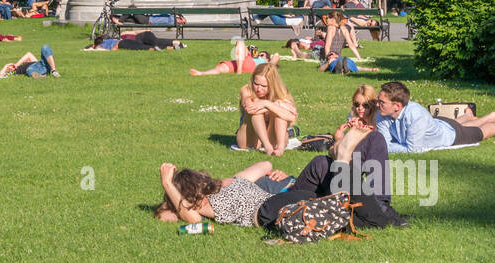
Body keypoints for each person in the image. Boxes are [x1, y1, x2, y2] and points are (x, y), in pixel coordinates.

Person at [254, 84, 408, 229]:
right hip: (336, 184)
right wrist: (341, 139)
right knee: (321, 161)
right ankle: (381, 205)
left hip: (341, 183)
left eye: (366, 105)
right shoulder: (355, 124)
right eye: (357, 105)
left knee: (325, 160)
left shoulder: (376, 124)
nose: (361, 109)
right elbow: (335, 155)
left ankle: (380, 204)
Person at [375, 81, 495, 154]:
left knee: (480, 133)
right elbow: (384, 144)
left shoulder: (415, 116)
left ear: (397, 106)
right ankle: (475, 116)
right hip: (440, 124)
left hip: (450, 135)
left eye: (381, 102)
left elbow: (412, 150)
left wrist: (388, 147)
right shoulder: (383, 114)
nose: (377, 104)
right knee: (457, 123)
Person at [157, 161, 291, 228]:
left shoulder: (209, 202)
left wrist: (167, 184)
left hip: (287, 193)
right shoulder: (230, 182)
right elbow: (266, 164)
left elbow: (191, 218)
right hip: (290, 189)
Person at [234, 61, 298, 156]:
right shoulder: (246, 90)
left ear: (272, 85)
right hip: (249, 140)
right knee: (257, 112)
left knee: (279, 114)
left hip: (273, 137)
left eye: (264, 86)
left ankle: (280, 148)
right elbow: (250, 108)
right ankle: (267, 147)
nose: (259, 89)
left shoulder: (280, 92)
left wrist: (267, 103)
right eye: (256, 84)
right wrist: (276, 105)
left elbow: (292, 117)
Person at [189, 40, 269, 76]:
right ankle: (201, 73)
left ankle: (239, 71)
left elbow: (275, 56)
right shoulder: (251, 57)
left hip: (250, 65)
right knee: (220, 68)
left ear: (267, 59)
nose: (259, 55)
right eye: (259, 54)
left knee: (240, 41)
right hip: (239, 63)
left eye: (262, 55)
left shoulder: (266, 63)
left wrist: (272, 60)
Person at [85, 30, 178, 50]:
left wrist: (114, 49)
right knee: (146, 46)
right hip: (123, 42)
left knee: (143, 47)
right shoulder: (108, 40)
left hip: (122, 44)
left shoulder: (100, 46)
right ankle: (172, 47)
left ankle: (171, 47)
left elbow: (115, 46)